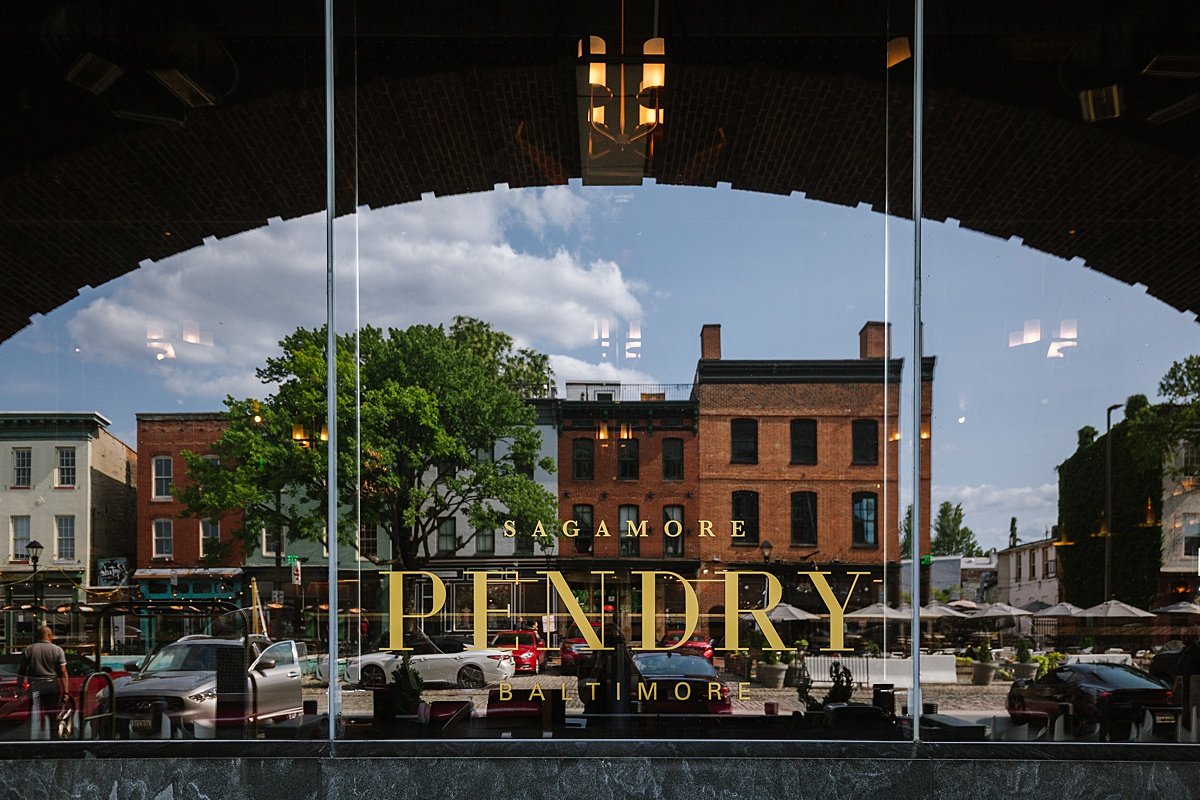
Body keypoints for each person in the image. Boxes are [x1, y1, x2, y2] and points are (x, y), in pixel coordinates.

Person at [17, 626, 70, 740]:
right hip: (51, 685)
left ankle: (33, 738)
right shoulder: (57, 650)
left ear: (37, 636)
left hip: (35, 686)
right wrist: (66, 691)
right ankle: (53, 739)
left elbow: (22, 670)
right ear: (50, 636)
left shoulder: (29, 650)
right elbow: (63, 671)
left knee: (35, 713)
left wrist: (20, 687)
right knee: (52, 713)